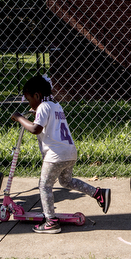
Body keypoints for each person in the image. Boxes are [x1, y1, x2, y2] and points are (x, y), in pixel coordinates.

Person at [11, 75, 111, 234]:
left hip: (55, 155)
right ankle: (98, 193)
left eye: (29, 99)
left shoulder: (43, 106)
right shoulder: (55, 106)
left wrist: (19, 117)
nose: (29, 103)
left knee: (45, 186)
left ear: (37, 96)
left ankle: (50, 221)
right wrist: (35, 110)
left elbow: (36, 129)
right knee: (66, 181)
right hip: (69, 152)